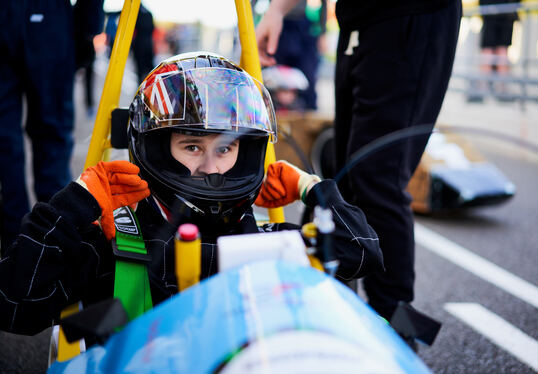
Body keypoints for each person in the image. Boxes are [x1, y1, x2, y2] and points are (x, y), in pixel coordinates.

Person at [0, 52, 383, 335]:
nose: (212, 168)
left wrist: (312, 188)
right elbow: (15, 305)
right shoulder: (118, 240)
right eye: (193, 147)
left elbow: (362, 250)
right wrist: (73, 205)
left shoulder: (268, 239)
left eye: (226, 149)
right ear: (154, 148)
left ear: (246, 154)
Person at [257, 0, 461, 321]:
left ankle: (395, 323)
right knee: (346, 176)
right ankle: (331, 306)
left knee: (377, 176)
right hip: (360, 20)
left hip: (410, 13)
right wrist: (277, 11)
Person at [0, 0, 102, 255]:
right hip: (47, 16)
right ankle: (54, 245)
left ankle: (15, 248)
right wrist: (87, 28)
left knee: (5, 141)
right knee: (51, 139)